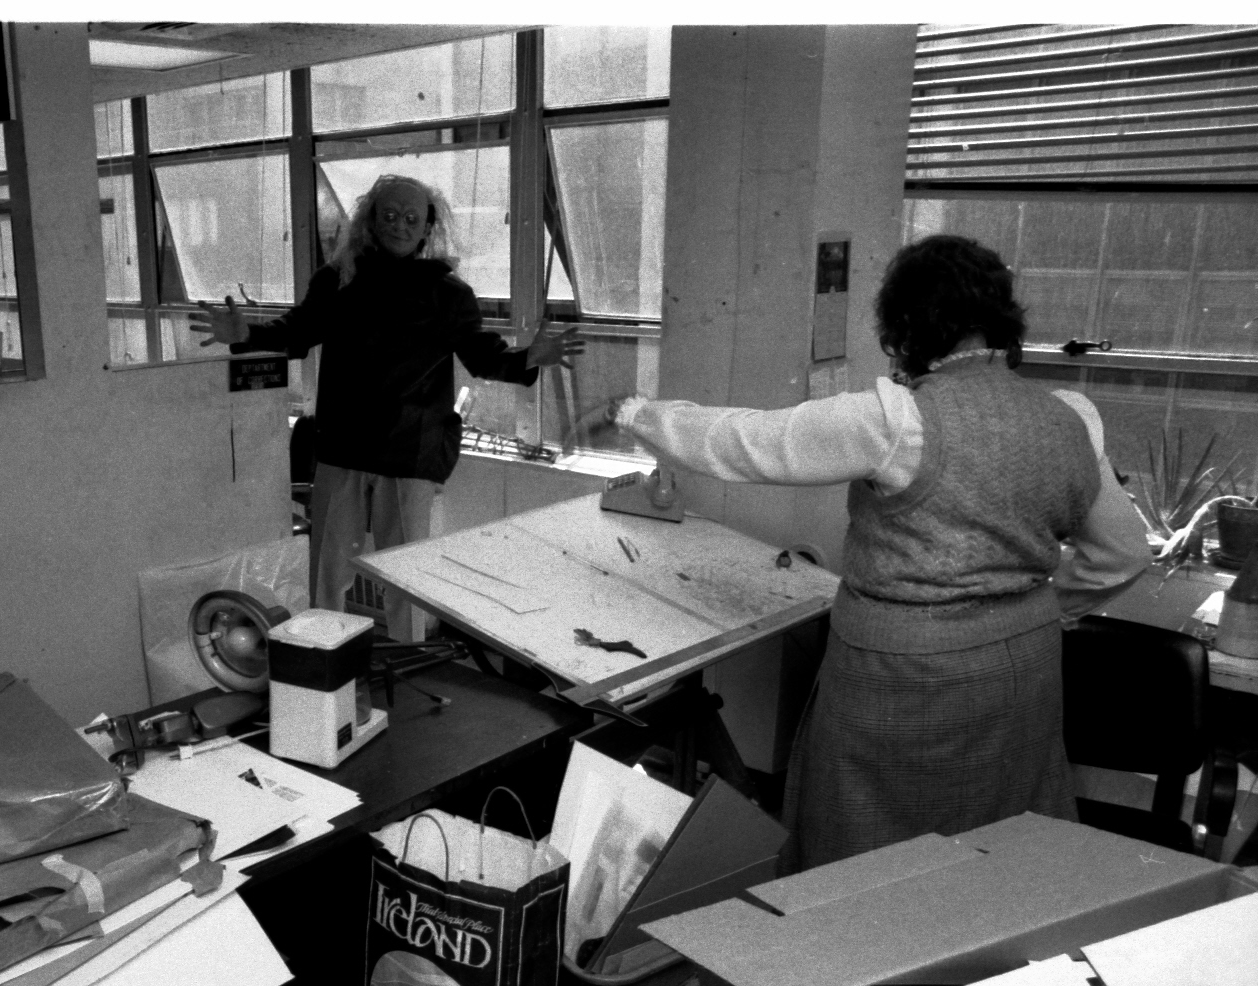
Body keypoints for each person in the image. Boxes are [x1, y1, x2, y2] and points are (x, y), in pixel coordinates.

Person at [605, 234, 1151, 870]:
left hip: (902, 675)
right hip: (1021, 669)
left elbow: (745, 441)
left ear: (907, 323)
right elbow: (1123, 554)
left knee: (863, 847)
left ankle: (854, 962)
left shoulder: (895, 421)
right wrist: (1039, 607)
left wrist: (638, 413)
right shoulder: (1071, 417)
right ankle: (977, 964)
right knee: (994, 848)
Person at [190, 175, 584, 639]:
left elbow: (481, 356)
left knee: (408, 577)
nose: (400, 225)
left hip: (412, 450)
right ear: (371, 221)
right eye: (390, 215)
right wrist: (247, 336)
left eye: (412, 219)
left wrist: (526, 360)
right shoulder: (338, 281)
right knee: (328, 574)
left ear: (427, 228)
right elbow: (296, 332)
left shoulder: (448, 294)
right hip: (343, 447)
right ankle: (325, 661)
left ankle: (412, 661)